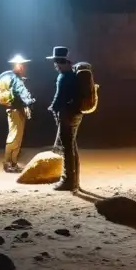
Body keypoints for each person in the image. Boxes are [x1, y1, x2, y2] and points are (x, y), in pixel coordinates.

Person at [46, 46, 82, 191]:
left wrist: (52, 107)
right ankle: (75, 180)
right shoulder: (73, 74)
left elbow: (59, 98)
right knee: (72, 146)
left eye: (55, 62)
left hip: (66, 115)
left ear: (58, 62)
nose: (55, 65)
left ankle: (68, 181)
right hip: (76, 114)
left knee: (67, 148)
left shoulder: (63, 76)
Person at [0, 54, 36, 173]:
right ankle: (9, 162)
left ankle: (12, 162)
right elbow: (22, 92)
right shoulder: (16, 79)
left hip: (11, 109)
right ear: (18, 65)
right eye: (23, 65)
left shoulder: (6, 77)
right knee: (15, 137)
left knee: (15, 136)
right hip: (17, 110)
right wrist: (30, 102)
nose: (25, 67)